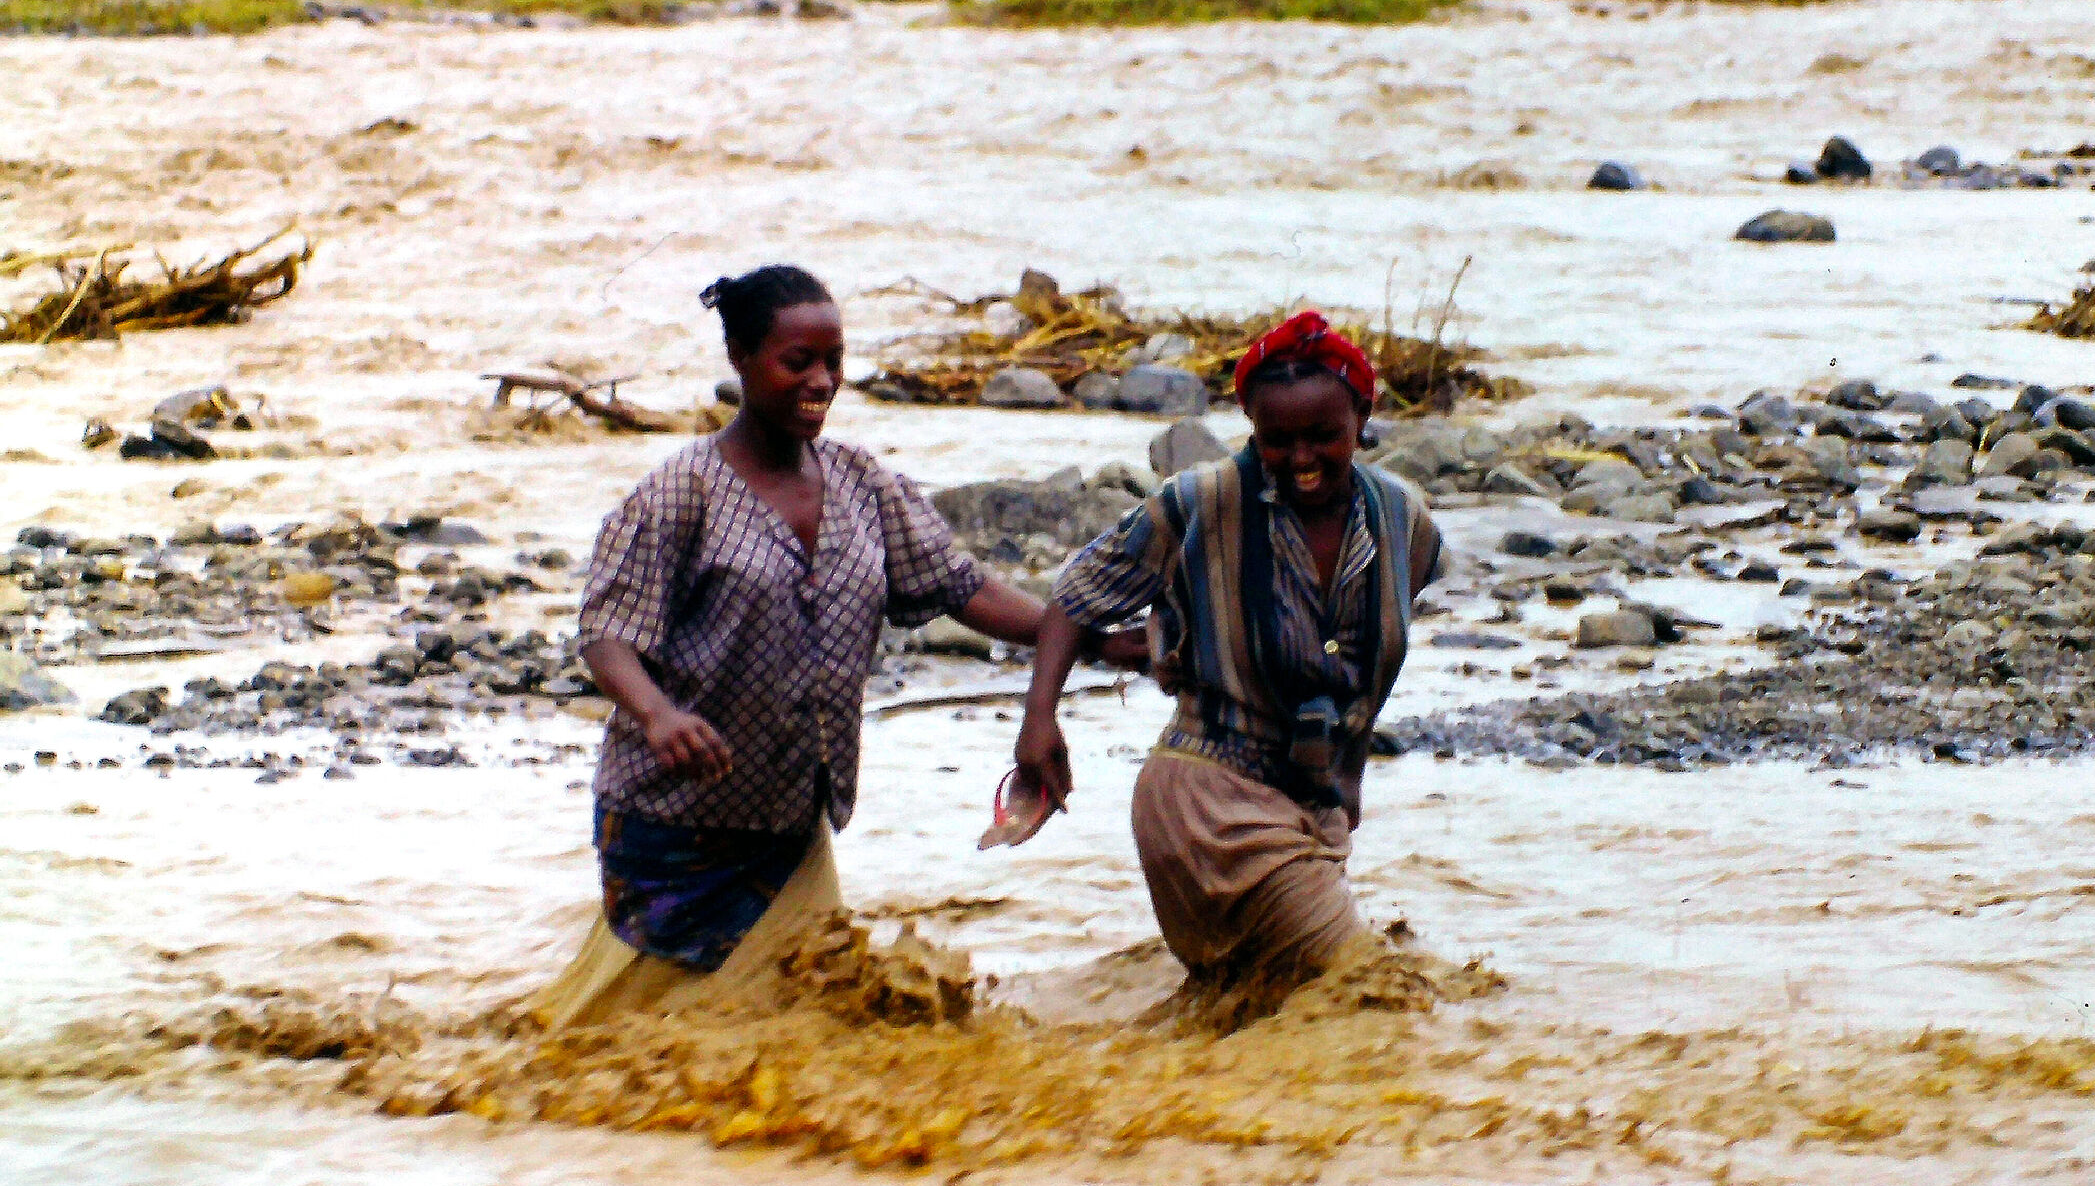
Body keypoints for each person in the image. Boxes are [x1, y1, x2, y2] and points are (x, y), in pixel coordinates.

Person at [529, 264, 1134, 1028]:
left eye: (834, 362)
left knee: (803, 1023)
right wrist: (657, 716)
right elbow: (610, 633)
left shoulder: (860, 483)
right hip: (674, 825)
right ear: (742, 358)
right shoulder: (680, 494)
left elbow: (961, 587)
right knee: (620, 1031)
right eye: (798, 362)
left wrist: (1096, 644)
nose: (822, 381)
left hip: (791, 822)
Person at [1009, 311, 1445, 990]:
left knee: (1260, 1027)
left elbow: (1368, 663)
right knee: (1368, 992)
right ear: (1250, 426)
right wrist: (1040, 718)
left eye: (1324, 436)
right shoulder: (1203, 504)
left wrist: (1349, 779)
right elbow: (1074, 597)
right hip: (1206, 804)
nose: (1302, 460)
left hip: (1312, 811)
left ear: (1364, 414)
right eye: (1278, 441)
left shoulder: (1403, 524)